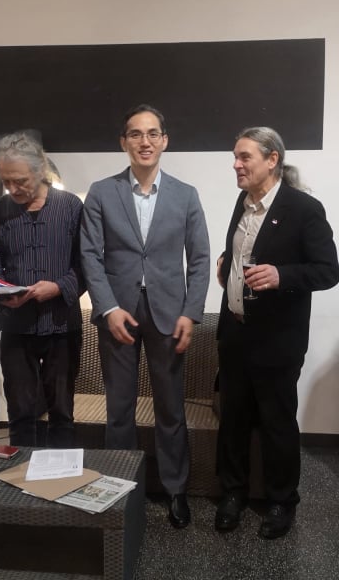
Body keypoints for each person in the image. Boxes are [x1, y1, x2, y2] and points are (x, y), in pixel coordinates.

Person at [80, 104, 210, 529]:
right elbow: (90, 256)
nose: (145, 141)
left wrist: (191, 312)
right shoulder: (102, 192)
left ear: (165, 141)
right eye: (135, 134)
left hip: (169, 315)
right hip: (117, 314)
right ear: (124, 142)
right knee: (119, 408)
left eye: (153, 133)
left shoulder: (186, 195)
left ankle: (175, 489)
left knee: (171, 408)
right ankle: (119, 490)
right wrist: (107, 307)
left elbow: (200, 259)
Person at [215, 127, 339, 540]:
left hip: (277, 339)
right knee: (233, 420)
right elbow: (243, 253)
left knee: (276, 422)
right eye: (235, 157)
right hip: (236, 333)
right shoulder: (242, 203)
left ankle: (281, 501)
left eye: (244, 157)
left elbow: (328, 271)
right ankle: (232, 493)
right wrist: (227, 267)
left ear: (272, 160)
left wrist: (282, 275)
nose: (236, 165)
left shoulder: (304, 209)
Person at [0, 131, 84, 448]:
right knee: (20, 413)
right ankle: (20, 474)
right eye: (6, 181)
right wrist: (1, 295)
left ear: (40, 170)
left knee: (62, 412)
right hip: (16, 326)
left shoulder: (70, 206)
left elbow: (88, 264)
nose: (12, 188)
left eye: (20, 180)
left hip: (62, 325)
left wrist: (58, 287)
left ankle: (60, 474)